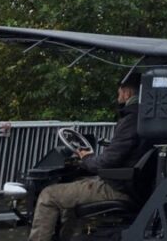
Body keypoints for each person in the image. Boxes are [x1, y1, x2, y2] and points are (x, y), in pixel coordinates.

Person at [28, 76, 146, 241]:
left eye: (119, 92)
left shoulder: (131, 120)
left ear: (126, 93)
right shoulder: (145, 119)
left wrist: (86, 159)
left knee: (49, 195)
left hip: (118, 188)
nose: (117, 96)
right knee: (71, 196)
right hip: (132, 186)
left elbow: (108, 161)